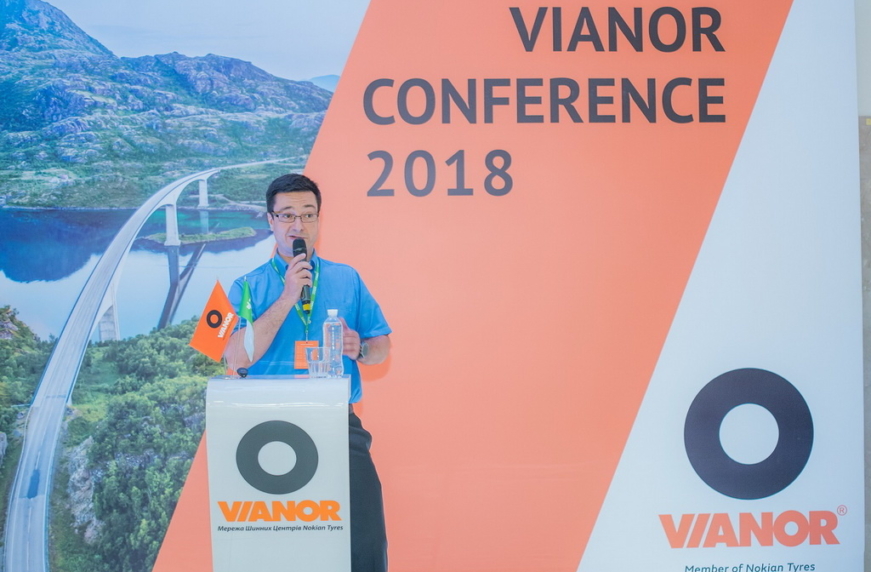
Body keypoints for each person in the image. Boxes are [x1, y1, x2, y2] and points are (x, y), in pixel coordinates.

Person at [225, 173, 391, 572]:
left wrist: (360, 348)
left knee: (365, 541)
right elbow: (236, 359)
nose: (298, 225)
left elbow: (381, 348)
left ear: (319, 219)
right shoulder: (245, 286)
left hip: (336, 422)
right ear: (270, 221)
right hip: (267, 427)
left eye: (308, 214)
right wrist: (287, 295)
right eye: (287, 215)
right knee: (282, 548)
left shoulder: (346, 278)